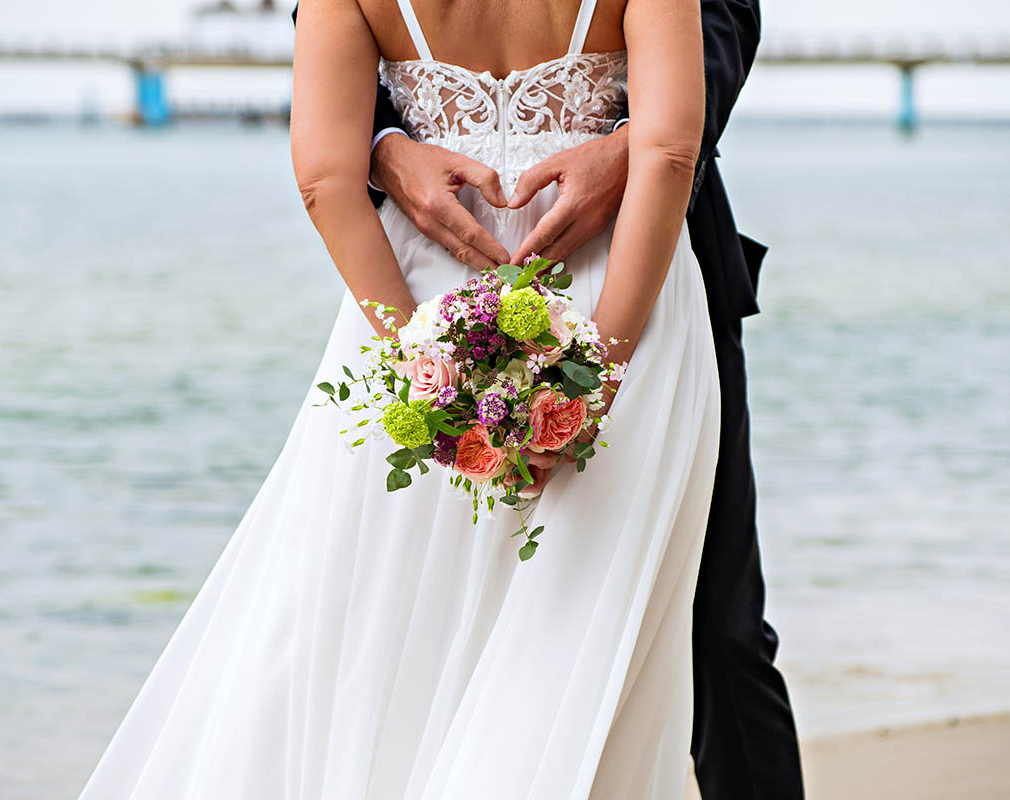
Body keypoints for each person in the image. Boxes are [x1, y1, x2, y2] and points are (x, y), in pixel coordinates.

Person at [80, 0, 726, 797]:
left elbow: (324, 178)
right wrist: (594, 376)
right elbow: (665, 153)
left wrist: (427, 368)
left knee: (383, 630)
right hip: (616, 288)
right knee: (582, 637)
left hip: (424, 288)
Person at [367, 1, 804, 798]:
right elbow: (333, 83)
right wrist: (383, 148)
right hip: (439, 281)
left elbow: (726, 15)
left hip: (661, 269)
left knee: (721, 631)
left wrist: (640, 142)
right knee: (417, 618)